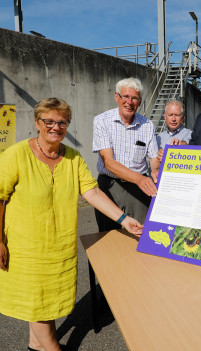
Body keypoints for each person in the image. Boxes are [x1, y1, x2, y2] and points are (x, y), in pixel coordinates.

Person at [0, 98, 143, 351]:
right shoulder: (16, 154)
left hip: (59, 248)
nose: (56, 127)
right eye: (49, 121)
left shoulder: (73, 158)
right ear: (37, 123)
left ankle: (36, 346)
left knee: (48, 305)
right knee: (39, 307)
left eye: (62, 122)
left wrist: (124, 219)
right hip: (26, 249)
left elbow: (93, 193)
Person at [93, 77, 160, 232]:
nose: (130, 102)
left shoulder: (147, 125)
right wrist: (141, 179)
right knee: (108, 236)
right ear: (117, 97)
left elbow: (154, 157)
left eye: (135, 98)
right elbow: (108, 162)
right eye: (126, 96)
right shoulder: (102, 121)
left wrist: (155, 170)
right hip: (110, 186)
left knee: (139, 232)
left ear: (140, 101)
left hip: (138, 190)